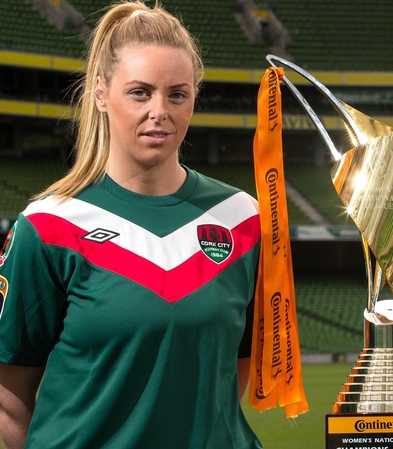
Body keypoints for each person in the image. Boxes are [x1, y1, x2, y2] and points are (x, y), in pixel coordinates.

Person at [0, 2, 262, 448]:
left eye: (177, 94)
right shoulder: (48, 227)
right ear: (101, 93)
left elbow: (233, 368)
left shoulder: (242, 220)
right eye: (140, 92)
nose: (159, 110)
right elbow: (8, 397)